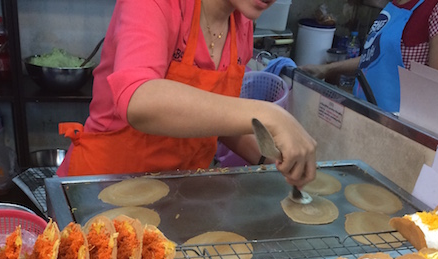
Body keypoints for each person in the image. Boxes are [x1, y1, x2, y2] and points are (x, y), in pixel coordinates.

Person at [57, 0, 316, 188]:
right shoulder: (157, 4)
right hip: (107, 188)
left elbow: (218, 120)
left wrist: (272, 158)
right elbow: (139, 99)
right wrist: (269, 115)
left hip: (180, 194)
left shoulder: (241, 25)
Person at [300, 0, 438, 113]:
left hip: (397, 133)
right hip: (364, 115)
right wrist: (326, 70)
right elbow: (376, 58)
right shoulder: (396, 3)